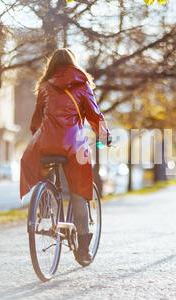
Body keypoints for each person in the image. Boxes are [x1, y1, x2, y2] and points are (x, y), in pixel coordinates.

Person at [20, 48, 112, 266]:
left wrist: (38, 136)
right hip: (73, 146)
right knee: (79, 191)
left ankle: (46, 201)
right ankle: (83, 249)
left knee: (43, 164)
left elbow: (36, 121)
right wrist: (105, 136)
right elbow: (94, 115)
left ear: (52, 65)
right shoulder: (82, 85)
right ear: (73, 63)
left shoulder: (44, 86)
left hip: (46, 143)